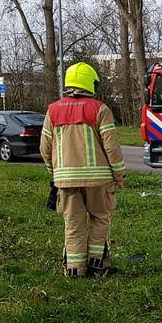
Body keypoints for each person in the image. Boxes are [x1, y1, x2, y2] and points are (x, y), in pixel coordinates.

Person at [40, 62, 126, 278]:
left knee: (73, 224)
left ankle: (75, 269)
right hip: (98, 180)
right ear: (90, 83)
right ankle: (97, 265)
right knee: (100, 218)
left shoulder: (53, 110)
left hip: (65, 181)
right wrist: (119, 175)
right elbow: (111, 146)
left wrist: (54, 173)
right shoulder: (99, 109)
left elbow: (45, 147)